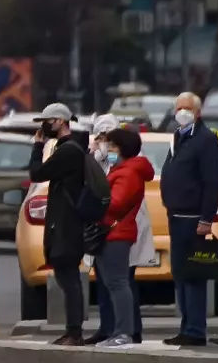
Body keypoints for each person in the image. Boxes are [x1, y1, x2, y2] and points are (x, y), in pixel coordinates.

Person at [159, 92, 218, 347]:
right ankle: (186, 326)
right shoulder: (178, 136)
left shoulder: (205, 139)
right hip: (176, 215)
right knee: (180, 274)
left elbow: (212, 181)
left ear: (197, 112)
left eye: (186, 108)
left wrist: (206, 218)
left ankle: (195, 329)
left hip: (193, 217)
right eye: (178, 108)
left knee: (193, 275)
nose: (181, 112)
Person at [85, 116, 154, 346]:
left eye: (113, 145)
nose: (109, 149)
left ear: (122, 149)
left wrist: (95, 201)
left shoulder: (127, 172)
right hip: (111, 232)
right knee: (113, 283)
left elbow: (115, 203)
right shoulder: (120, 169)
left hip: (116, 233)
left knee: (118, 283)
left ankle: (124, 332)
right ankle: (118, 332)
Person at [28, 103, 87, 346]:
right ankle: (72, 331)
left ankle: (74, 332)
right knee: (66, 278)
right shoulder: (67, 148)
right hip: (65, 223)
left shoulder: (68, 151)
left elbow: (37, 173)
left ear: (61, 121)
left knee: (69, 280)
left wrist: (37, 146)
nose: (44, 126)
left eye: (47, 121)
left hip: (68, 226)